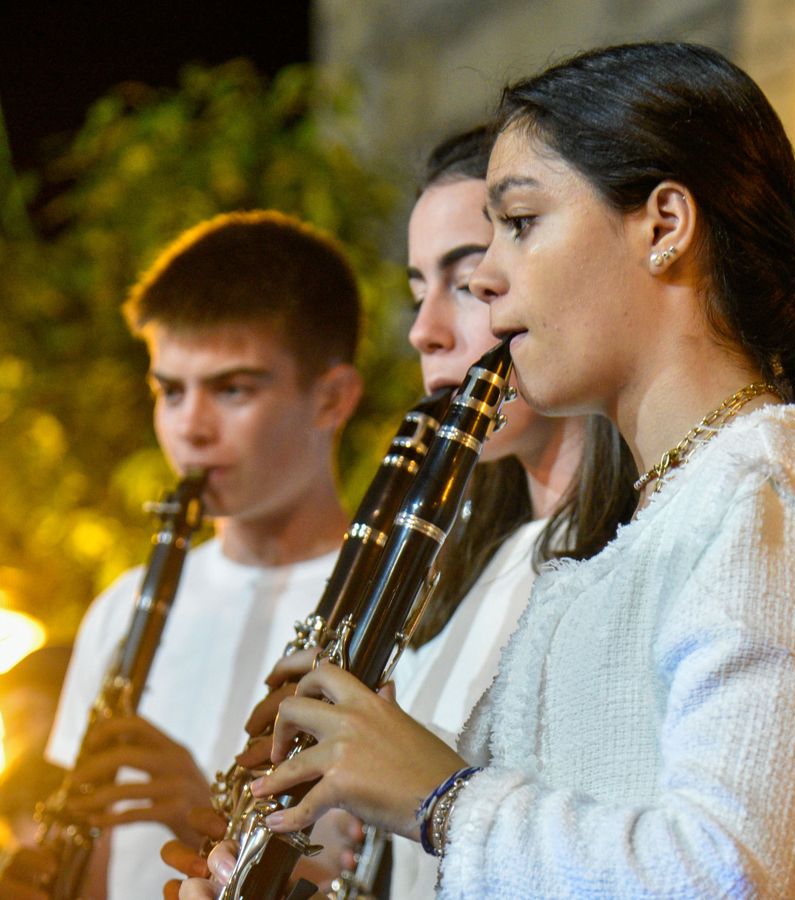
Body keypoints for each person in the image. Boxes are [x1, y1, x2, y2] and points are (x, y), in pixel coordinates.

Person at [186, 41, 795, 898]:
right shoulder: (651, 531)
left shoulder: (765, 491)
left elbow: (730, 874)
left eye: (521, 223)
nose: (491, 277)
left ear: (664, 226)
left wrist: (440, 799)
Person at [160, 125, 636, 899]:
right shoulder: (462, 578)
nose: (424, 331)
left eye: (468, 280)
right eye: (418, 293)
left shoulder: (622, 563)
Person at [0, 210, 366, 900]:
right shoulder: (123, 606)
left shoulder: (398, 604)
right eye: (170, 391)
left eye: (232, 389)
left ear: (331, 398)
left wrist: (209, 815)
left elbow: (395, 878)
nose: (190, 428)